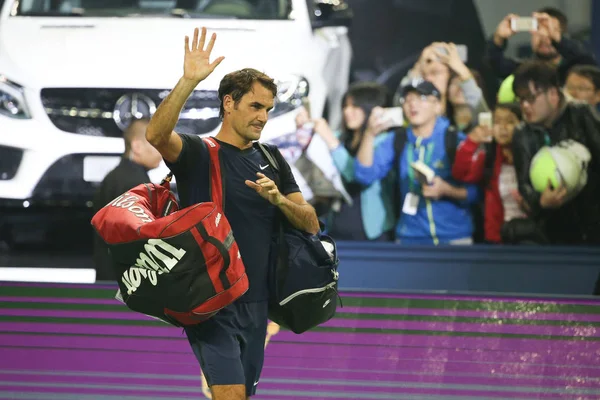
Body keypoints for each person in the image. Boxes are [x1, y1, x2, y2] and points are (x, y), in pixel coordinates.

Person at [145, 27, 319, 400]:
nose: (263, 117)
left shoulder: (273, 159)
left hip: (259, 304)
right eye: (255, 106)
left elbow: (311, 223)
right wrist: (189, 80)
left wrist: (280, 202)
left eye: (268, 109)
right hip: (212, 303)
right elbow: (157, 136)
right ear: (229, 103)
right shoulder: (197, 153)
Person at [355, 80, 479, 245]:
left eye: (421, 98)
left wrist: (447, 190)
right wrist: (369, 135)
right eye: (407, 99)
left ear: (438, 106)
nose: (412, 104)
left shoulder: (454, 139)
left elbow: (476, 192)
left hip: (454, 237)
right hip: (409, 238)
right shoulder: (397, 140)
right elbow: (364, 174)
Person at [511, 60, 600, 245]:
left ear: (552, 94)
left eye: (531, 98)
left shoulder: (582, 114)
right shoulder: (522, 134)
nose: (525, 106)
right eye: (521, 100)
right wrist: (541, 202)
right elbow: (524, 185)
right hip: (552, 234)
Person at [307, 81, 396, 241]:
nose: (348, 111)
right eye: (346, 106)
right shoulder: (340, 138)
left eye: (355, 106)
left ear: (371, 109)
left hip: (372, 233)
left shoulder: (385, 141)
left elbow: (359, 175)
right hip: (336, 227)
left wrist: (331, 141)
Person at [92, 118, 162, 281]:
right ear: (137, 146)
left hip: (108, 279)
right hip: (127, 286)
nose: (162, 150)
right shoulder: (136, 184)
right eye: (156, 144)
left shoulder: (113, 177)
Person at [452, 103, 529, 243]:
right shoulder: (489, 157)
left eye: (510, 122)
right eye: (497, 122)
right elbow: (461, 174)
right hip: (497, 239)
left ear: (522, 125)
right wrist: (471, 142)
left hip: (529, 238)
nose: (502, 127)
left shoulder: (532, 156)